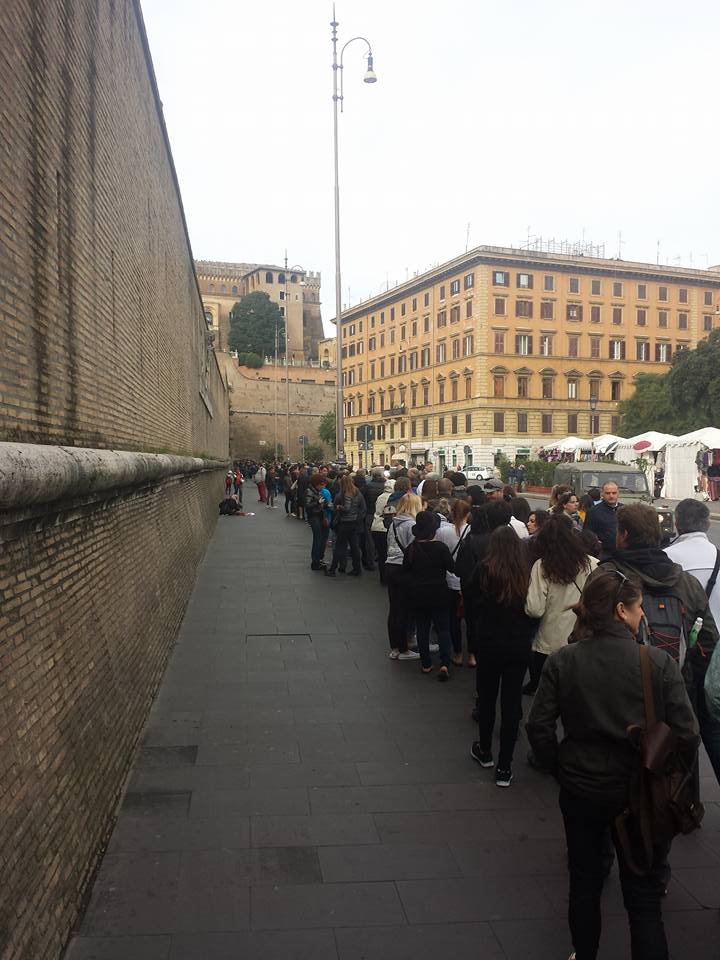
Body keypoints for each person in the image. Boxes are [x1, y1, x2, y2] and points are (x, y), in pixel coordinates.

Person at [527, 571, 699, 960]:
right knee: (643, 897)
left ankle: (584, 953)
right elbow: (687, 733)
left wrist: (559, 767)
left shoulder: (563, 660)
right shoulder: (656, 662)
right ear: (621, 611)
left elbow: (538, 725)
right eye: (639, 608)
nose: (643, 616)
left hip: (581, 786)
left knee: (585, 883)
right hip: (639, 790)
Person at [596, 502, 720, 781]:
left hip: (618, 691)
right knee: (674, 761)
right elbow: (709, 640)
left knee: (621, 769)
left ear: (624, 535)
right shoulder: (686, 582)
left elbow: (586, 635)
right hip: (676, 688)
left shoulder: (606, 577)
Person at [470, 526, 536, 787]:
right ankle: (505, 767)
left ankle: (484, 750)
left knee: (486, 698)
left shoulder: (484, 569)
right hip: (518, 644)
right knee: (511, 703)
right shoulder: (526, 573)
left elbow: (472, 600)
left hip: (488, 642)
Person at [523, 515, 598, 695]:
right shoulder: (593, 564)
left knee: (548, 697)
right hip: (584, 639)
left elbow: (534, 609)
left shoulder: (541, 566)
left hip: (550, 642)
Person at [403, 510, 455, 679]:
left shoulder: (411, 549)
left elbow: (406, 571)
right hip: (439, 593)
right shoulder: (440, 548)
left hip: (418, 594)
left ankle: (426, 663)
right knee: (443, 629)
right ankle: (445, 663)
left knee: (422, 629)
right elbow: (452, 568)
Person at [665, 498, 720, 633]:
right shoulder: (717, 556)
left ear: (677, 523)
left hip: (681, 640)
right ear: (707, 524)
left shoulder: (666, 557)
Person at [433, 497, 472, 666]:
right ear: (468, 514)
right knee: (471, 620)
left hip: (449, 580)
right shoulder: (472, 530)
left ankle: (456, 653)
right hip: (468, 580)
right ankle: (472, 655)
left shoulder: (443, 531)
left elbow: (438, 553)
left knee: (453, 620)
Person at [386, 492, 423, 660]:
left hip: (390, 565)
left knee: (394, 609)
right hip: (403, 568)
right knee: (405, 609)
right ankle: (404, 648)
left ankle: (395, 647)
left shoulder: (393, 523)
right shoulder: (411, 525)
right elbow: (412, 549)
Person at [325, 473, 367, 577]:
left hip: (344, 523)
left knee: (339, 546)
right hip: (355, 523)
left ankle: (333, 569)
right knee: (355, 547)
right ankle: (357, 569)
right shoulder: (358, 493)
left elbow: (340, 509)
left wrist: (337, 507)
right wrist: (357, 519)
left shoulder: (341, 495)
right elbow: (363, 509)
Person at [583, 481, 620, 558]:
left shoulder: (626, 510)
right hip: (603, 555)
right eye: (608, 493)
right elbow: (587, 534)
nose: (611, 496)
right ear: (602, 494)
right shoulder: (593, 512)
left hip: (623, 554)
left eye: (614, 493)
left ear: (618, 493)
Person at [371, 478, 395, 585]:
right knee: (388, 554)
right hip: (385, 527)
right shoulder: (392, 498)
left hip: (376, 526)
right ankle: (388, 577)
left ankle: (383, 578)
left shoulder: (380, 496)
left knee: (381, 554)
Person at [305, 475, 331, 570]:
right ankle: (315, 562)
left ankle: (318, 560)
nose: (323, 487)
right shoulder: (309, 491)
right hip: (314, 517)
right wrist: (318, 503)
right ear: (317, 484)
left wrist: (325, 504)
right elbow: (307, 505)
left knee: (321, 539)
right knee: (318, 539)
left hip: (318, 515)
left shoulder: (316, 491)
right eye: (322, 485)